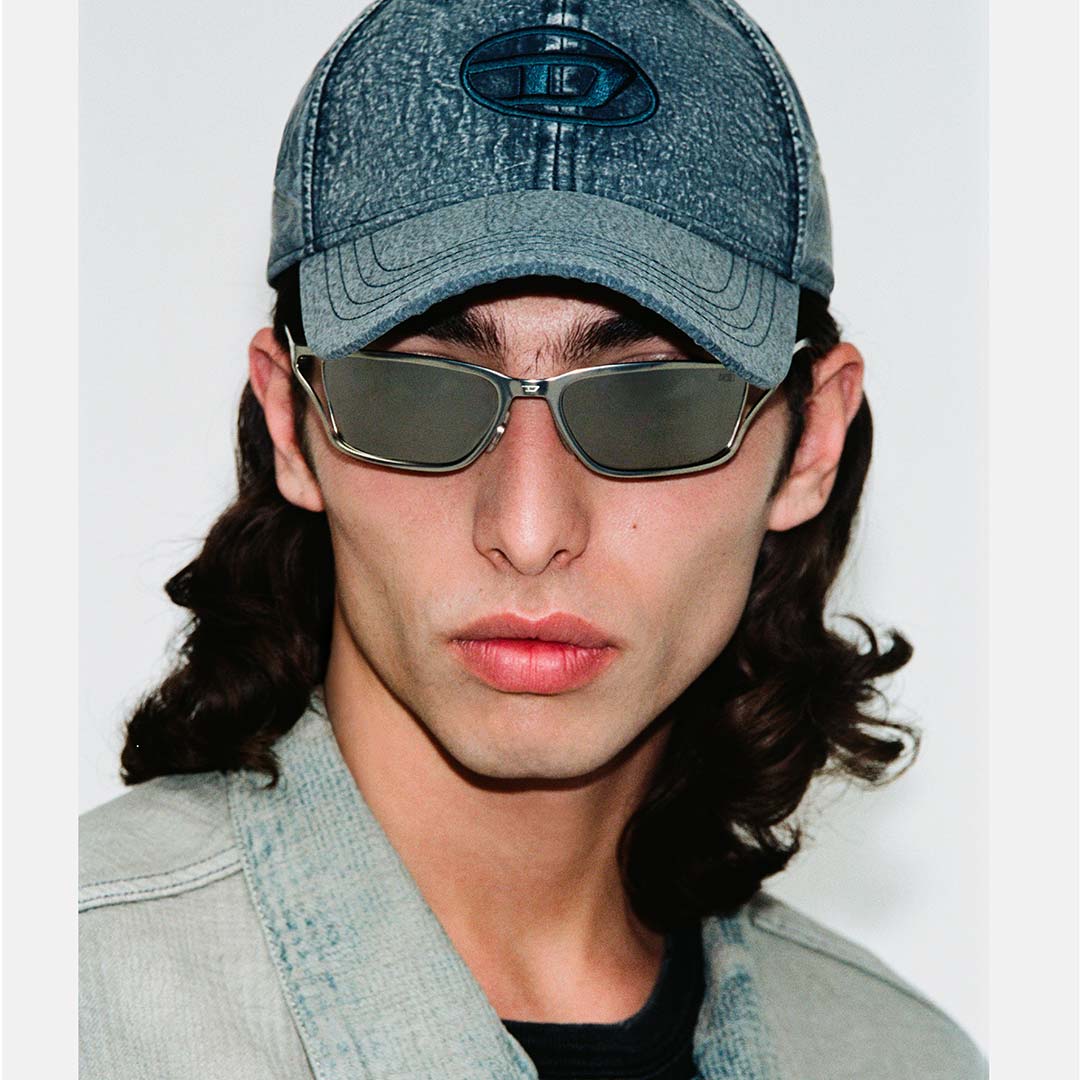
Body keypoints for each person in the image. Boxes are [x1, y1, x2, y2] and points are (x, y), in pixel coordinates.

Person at [79, 1, 987, 1077]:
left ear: (811, 442)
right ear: (290, 420)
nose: (527, 529)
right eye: (421, 394)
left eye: (651, 404)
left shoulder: (899, 1058)